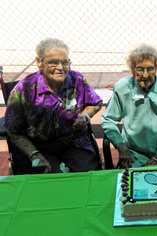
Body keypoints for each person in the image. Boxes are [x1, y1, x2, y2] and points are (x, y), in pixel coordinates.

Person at [5, 38, 102, 174]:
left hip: (74, 142)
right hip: (40, 147)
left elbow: (95, 103)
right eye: (53, 63)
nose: (61, 68)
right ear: (39, 62)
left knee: (87, 176)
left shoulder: (77, 80)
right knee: (49, 178)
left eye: (65, 62)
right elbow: (13, 131)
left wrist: (85, 115)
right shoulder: (24, 89)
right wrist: (35, 155)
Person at [101, 44, 157, 168]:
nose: (146, 75)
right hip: (133, 154)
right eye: (140, 69)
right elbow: (108, 120)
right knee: (130, 184)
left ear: (156, 68)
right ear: (132, 70)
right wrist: (121, 146)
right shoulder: (122, 88)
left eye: (150, 69)